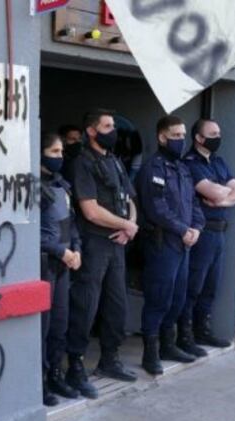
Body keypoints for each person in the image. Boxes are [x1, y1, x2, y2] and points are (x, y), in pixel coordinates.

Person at [64, 109, 140, 398]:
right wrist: (126, 225)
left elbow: (130, 198)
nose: (113, 131)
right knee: (85, 306)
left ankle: (110, 360)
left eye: (113, 126)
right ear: (92, 131)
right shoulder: (82, 163)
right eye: (107, 126)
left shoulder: (115, 161)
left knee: (116, 305)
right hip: (94, 244)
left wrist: (130, 226)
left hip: (117, 243)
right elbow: (91, 211)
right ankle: (75, 366)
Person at [135, 115, 206, 376]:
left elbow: (193, 203)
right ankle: (150, 353)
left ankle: (167, 345)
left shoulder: (183, 168)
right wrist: (182, 230)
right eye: (175, 135)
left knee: (178, 297)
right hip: (162, 243)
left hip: (183, 244)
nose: (181, 140)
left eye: (183, 135)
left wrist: (196, 228)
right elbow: (157, 209)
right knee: (159, 299)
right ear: (162, 137)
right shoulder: (153, 169)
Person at [177, 118, 235, 355]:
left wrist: (222, 200)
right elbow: (214, 192)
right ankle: (184, 335)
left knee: (211, 285)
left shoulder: (218, 161)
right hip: (202, 232)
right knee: (193, 285)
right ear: (199, 138)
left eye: (219, 133)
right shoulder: (190, 163)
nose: (218, 137)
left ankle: (201, 330)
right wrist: (222, 193)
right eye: (213, 134)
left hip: (219, 231)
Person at [39, 133, 82, 406]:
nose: (60, 157)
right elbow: (32, 234)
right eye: (54, 152)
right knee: (42, 329)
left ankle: (56, 374)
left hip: (64, 263)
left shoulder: (62, 186)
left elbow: (71, 224)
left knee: (59, 324)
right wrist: (61, 251)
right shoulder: (33, 187)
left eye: (61, 152)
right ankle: (40, 382)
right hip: (46, 263)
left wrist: (76, 249)